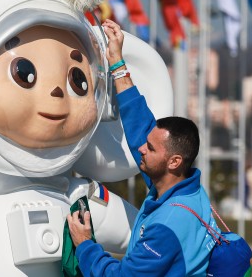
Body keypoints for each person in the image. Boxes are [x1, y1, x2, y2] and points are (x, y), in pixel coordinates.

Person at [67, 20, 219, 276]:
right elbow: (140, 126)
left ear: (174, 161)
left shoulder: (167, 226)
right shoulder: (185, 189)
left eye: (150, 148)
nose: (141, 150)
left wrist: (85, 245)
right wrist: (117, 62)